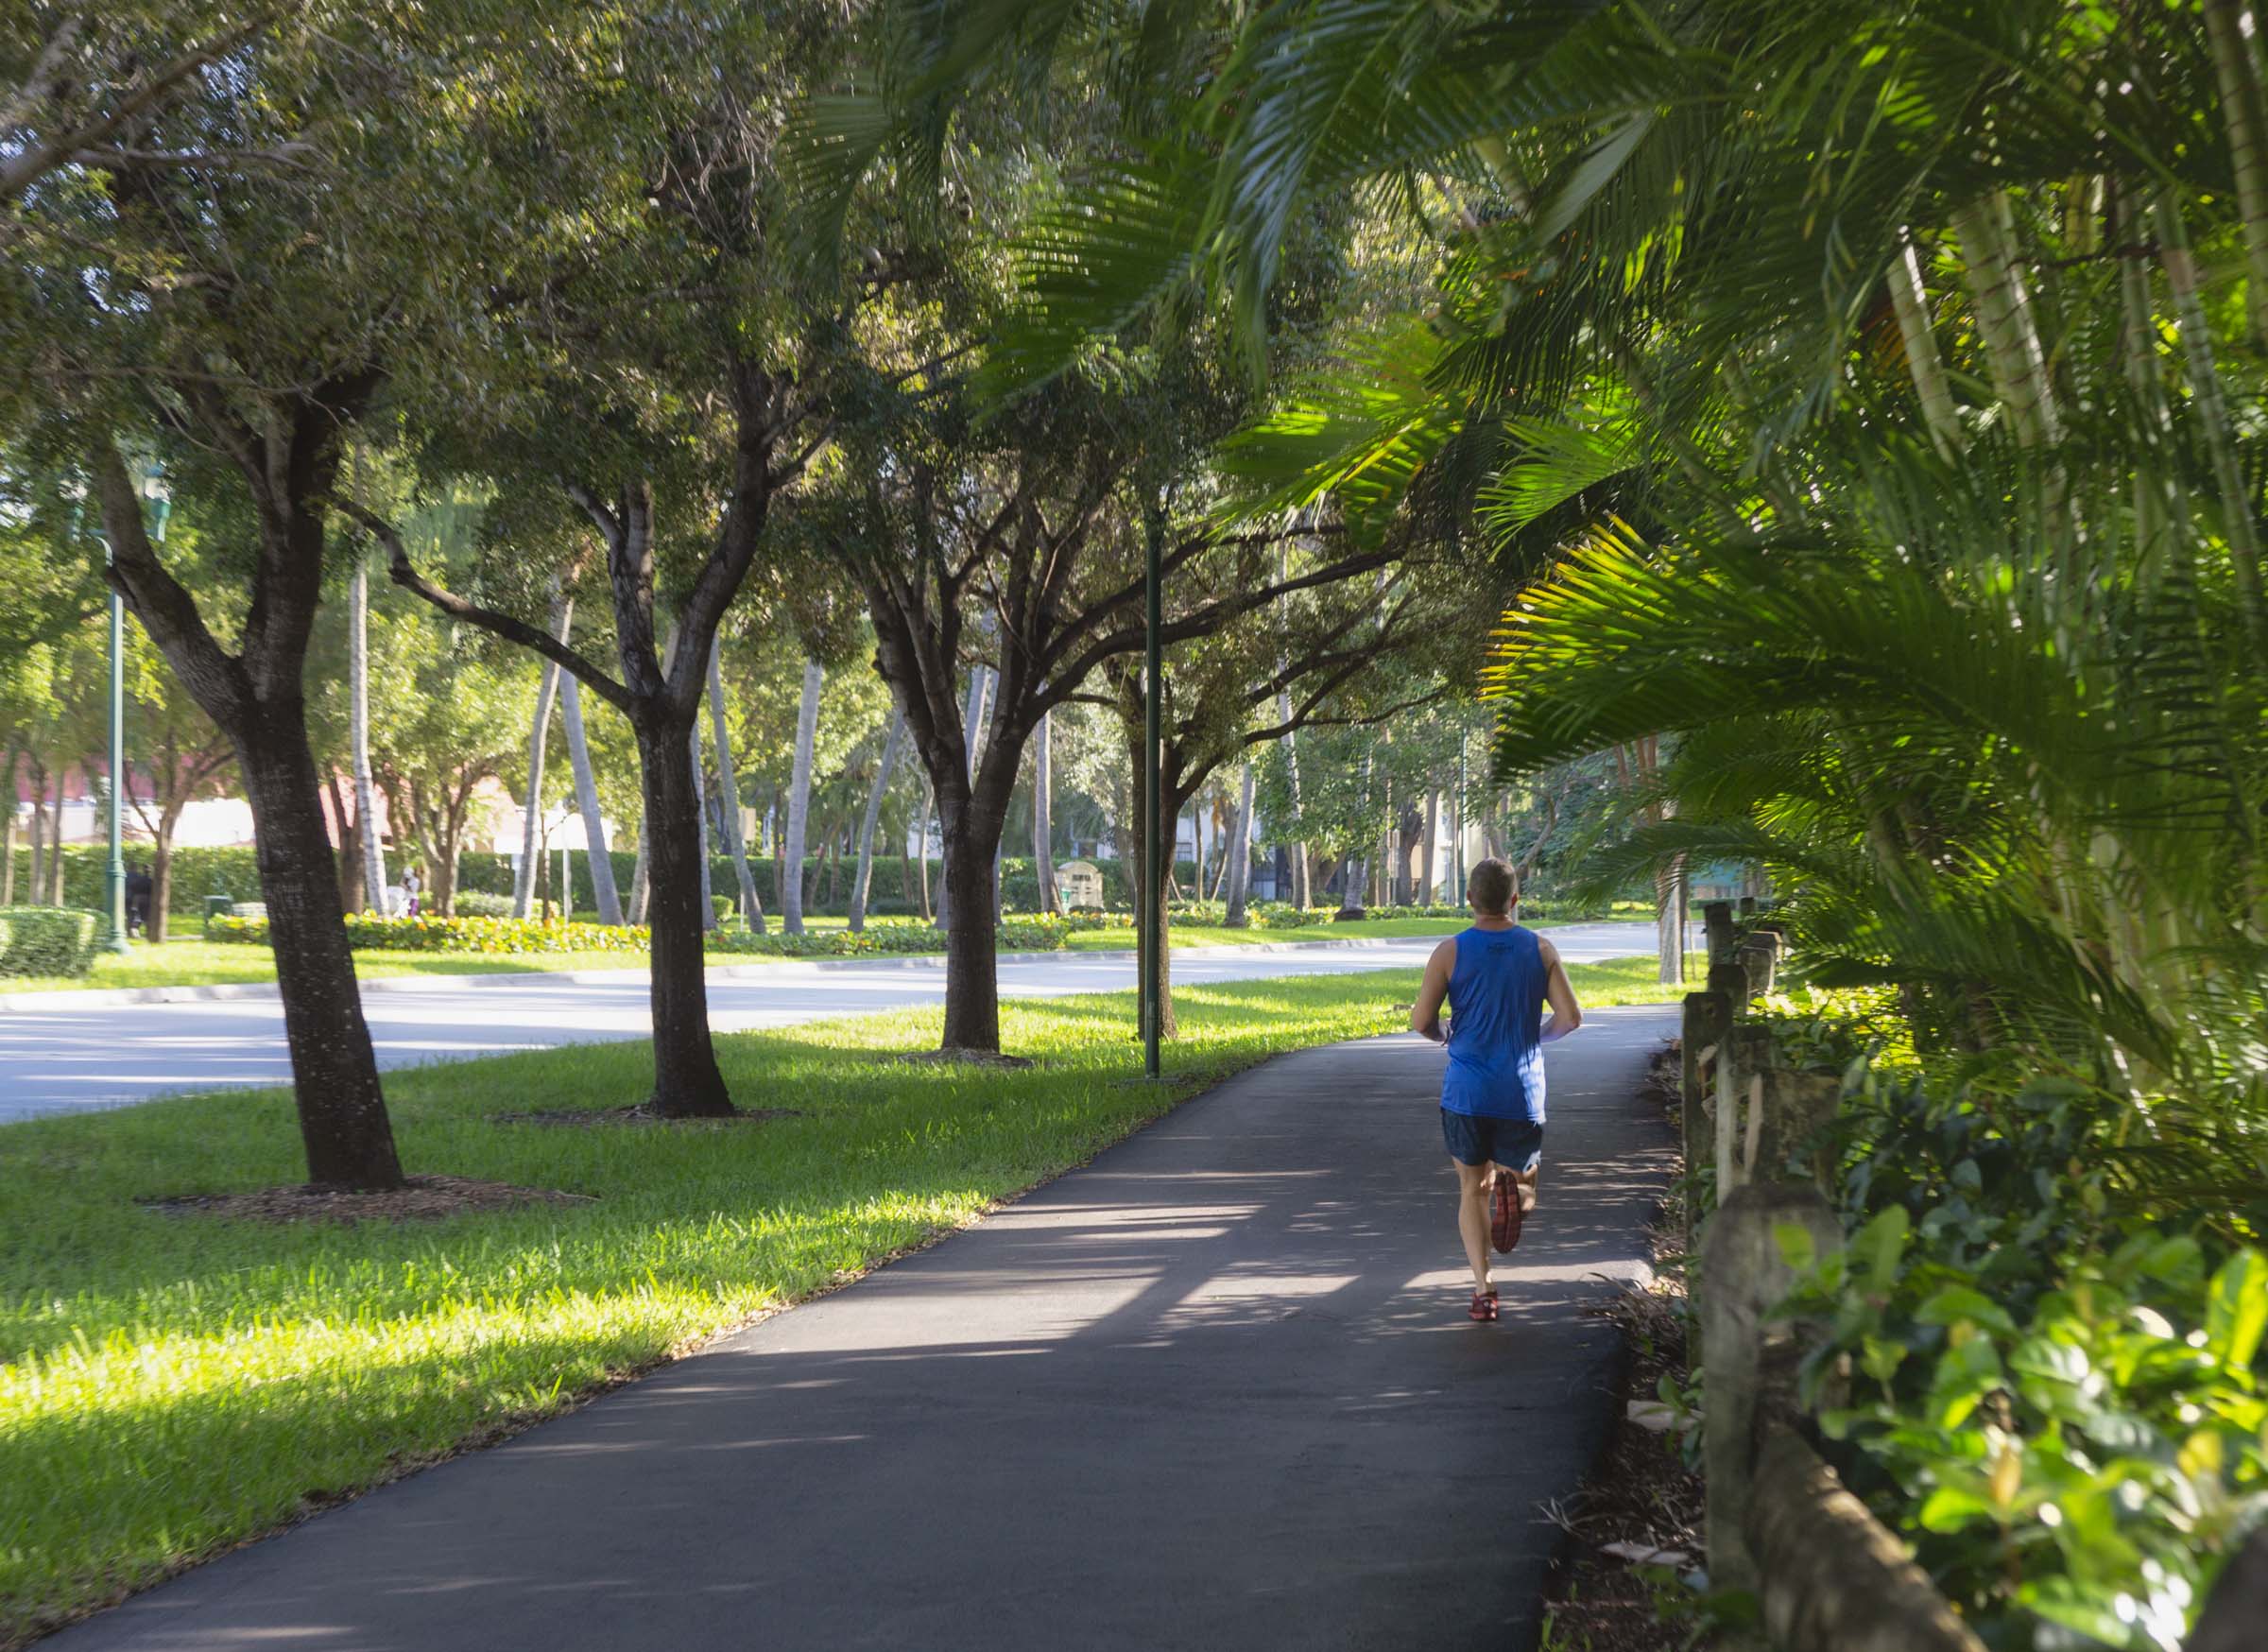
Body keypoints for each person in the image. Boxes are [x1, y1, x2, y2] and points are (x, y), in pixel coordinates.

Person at [1409, 856, 1584, 1322]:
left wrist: (1446, 1036)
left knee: (1471, 1190)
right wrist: (1534, 1035)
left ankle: (1483, 1290)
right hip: (1521, 1090)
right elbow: (1570, 1019)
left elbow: (1422, 1021)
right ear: (1515, 900)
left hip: (1466, 1092)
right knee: (1523, 1182)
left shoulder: (1450, 951)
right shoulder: (1540, 949)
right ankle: (1519, 1191)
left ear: (1469, 899)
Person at [124, 862, 154, 939]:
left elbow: (133, 887)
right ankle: (148, 932)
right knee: (147, 915)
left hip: (136, 899)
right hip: (147, 899)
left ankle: (133, 931)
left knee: (136, 915)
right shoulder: (151, 881)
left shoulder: (138, 879)